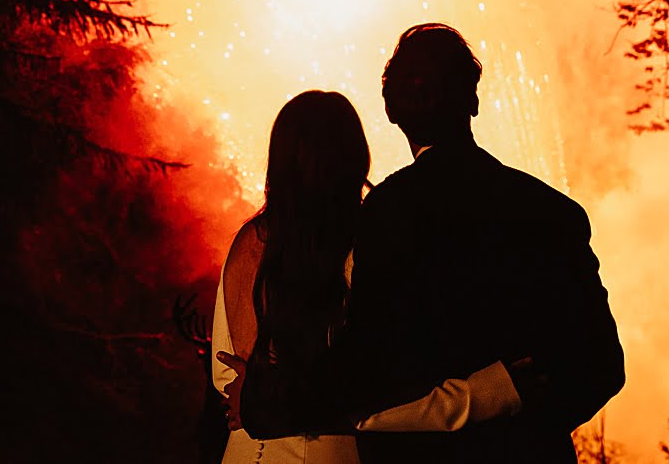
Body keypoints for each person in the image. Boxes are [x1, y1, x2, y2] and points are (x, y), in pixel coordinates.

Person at [227, 24, 624, 463]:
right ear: (473, 98)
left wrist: (263, 404)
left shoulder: (388, 213)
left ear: (391, 109)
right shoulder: (555, 212)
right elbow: (602, 367)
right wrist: (524, 427)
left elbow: (369, 366)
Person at [210, 89, 527, 464]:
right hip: (340, 451)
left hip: (247, 451)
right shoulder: (369, 243)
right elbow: (377, 378)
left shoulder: (246, 244)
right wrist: (490, 394)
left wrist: (257, 400)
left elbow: (225, 375)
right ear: (355, 157)